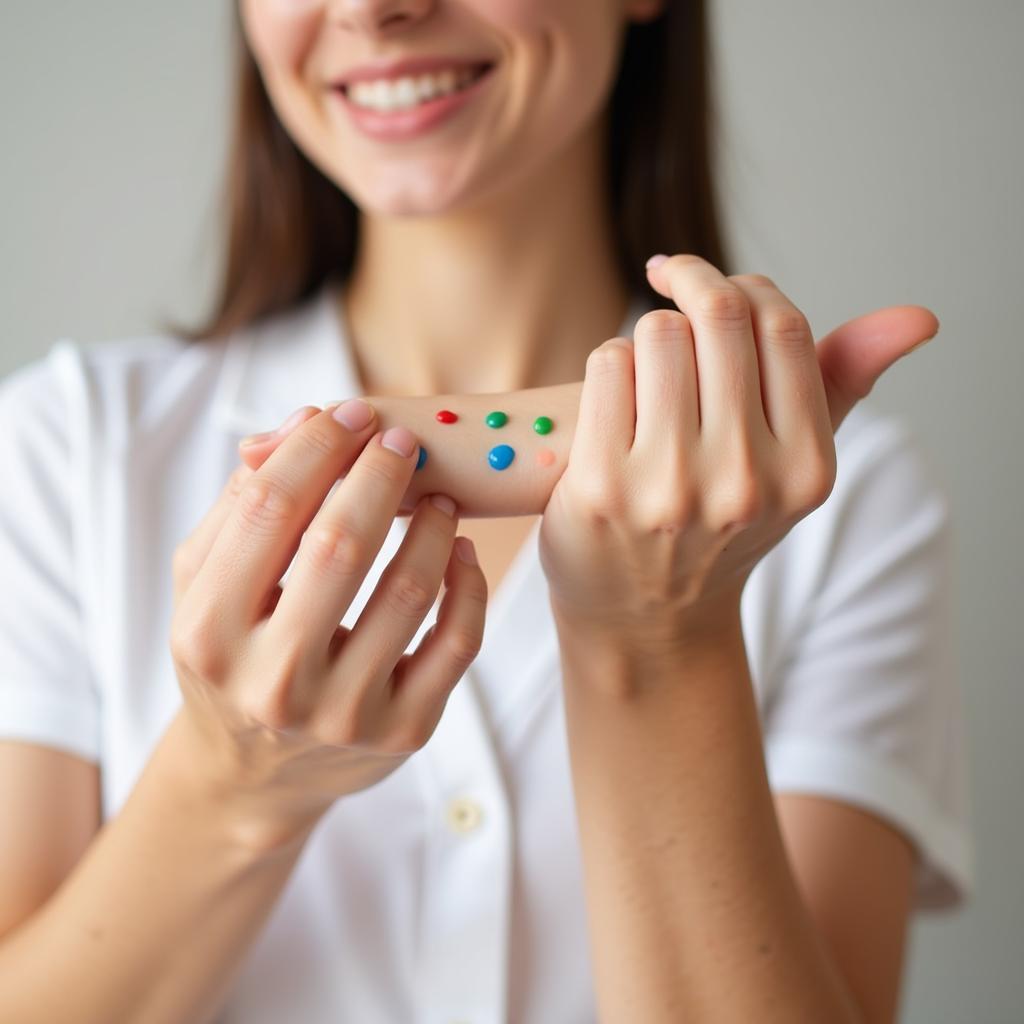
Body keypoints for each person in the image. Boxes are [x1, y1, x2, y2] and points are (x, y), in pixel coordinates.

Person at [0, 1, 973, 1022]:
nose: (379, 10)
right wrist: (230, 784)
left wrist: (654, 646)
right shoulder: (63, 451)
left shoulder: (848, 502)